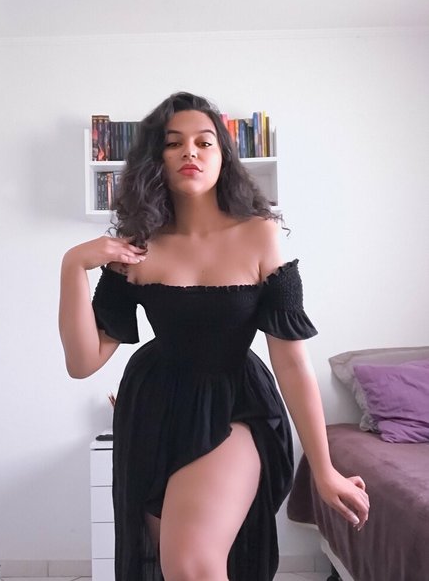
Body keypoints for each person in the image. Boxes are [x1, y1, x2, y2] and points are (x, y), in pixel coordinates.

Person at [59, 92, 369, 581]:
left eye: (204, 142)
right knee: (174, 566)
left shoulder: (261, 235)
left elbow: (291, 363)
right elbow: (83, 362)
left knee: (192, 565)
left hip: (236, 406)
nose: (190, 151)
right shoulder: (135, 247)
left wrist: (324, 467)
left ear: (223, 156)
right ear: (156, 158)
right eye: (173, 143)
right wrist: (73, 265)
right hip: (152, 411)